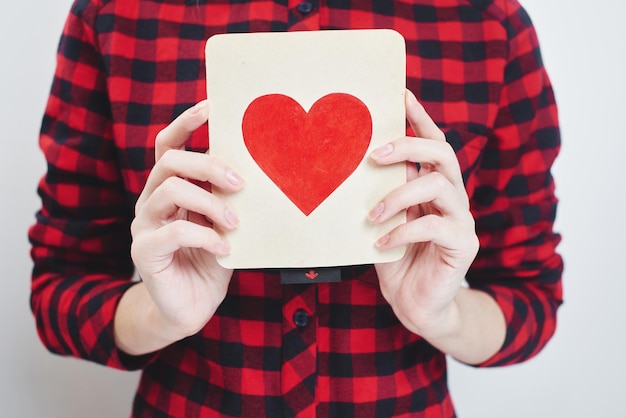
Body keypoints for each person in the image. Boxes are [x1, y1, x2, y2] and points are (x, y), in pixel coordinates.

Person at [29, 0, 563, 416]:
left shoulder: (488, 25)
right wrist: (159, 312)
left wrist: (439, 315)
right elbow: (60, 288)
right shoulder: (117, 15)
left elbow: (529, 298)